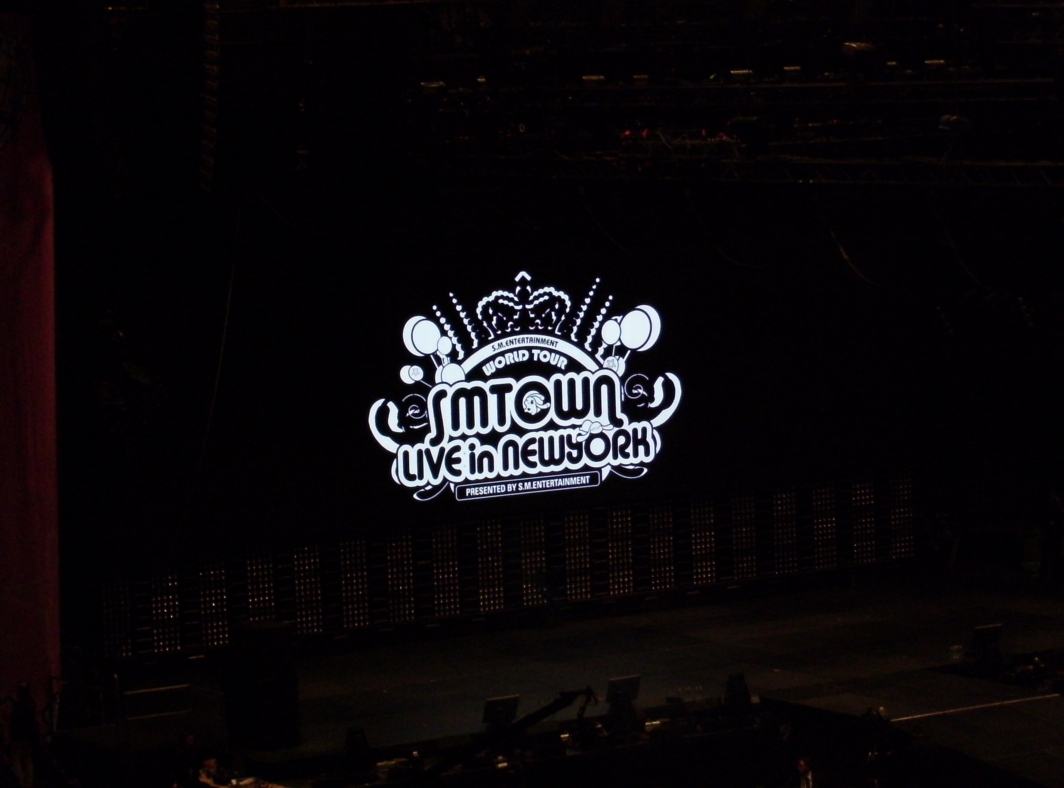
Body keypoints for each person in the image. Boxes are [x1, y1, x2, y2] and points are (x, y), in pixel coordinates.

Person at [5, 683, 39, 788]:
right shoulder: (30, 703)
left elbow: (12, 717)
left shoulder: (20, 706)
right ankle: (28, 784)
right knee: (27, 760)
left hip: (18, 736)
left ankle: (19, 783)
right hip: (27, 736)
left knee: (16, 760)